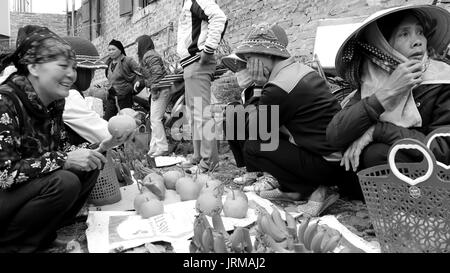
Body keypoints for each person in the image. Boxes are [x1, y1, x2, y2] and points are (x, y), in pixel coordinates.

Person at [0, 25, 126, 253]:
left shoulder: (53, 103)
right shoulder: (5, 102)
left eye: (74, 67)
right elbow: (5, 175)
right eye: (62, 66)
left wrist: (100, 146)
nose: (72, 74)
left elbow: (62, 148)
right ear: (34, 67)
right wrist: (64, 160)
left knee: (90, 163)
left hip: (24, 189)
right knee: (64, 181)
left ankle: (44, 237)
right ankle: (13, 245)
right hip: (4, 193)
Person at [234, 22, 362, 206]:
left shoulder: (279, 87)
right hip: (335, 157)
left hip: (328, 164)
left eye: (251, 58)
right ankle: (291, 188)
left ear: (268, 55)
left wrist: (258, 86)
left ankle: (304, 189)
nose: (248, 66)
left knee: (254, 146)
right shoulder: (298, 70)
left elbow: (257, 131)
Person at [327, 5, 450, 172]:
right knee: (343, 156)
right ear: (383, 45)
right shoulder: (372, 79)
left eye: (420, 32)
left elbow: (443, 150)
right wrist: (386, 93)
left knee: (376, 154)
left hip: (434, 173)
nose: (417, 41)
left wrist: (378, 130)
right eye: (404, 34)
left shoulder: (442, 80)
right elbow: (335, 135)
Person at [177, 0, 227, 172]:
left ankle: (209, 162)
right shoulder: (187, 2)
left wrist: (209, 49)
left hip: (198, 61)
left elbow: (219, 18)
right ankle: (199, 156)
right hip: (190, 64)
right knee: (195, 113)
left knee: (202, 113)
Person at [134, 35, 170, 157]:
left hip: (161, 89)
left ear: (142, 44)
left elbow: (157, 74)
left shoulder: (149, 55)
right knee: (154, 119)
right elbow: (150, 75)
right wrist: (143, 82)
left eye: (137, 45)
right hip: (160, 88)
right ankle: (154, 148)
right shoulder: (149, 55)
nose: (136, 48)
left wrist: (154, 90)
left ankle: (162, 147)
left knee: (155, 119)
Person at [104, 39, 141, 121]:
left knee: (124, 121)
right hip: (111, 96)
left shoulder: (128, 61)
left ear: (120, 50)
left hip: (124, 96)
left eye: (113, 49)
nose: (111, 52)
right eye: (109, 50)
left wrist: (137, 82)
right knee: (107, 120)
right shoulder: (108, 63)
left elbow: (140, 73)